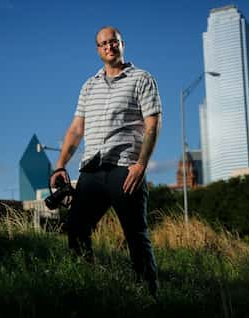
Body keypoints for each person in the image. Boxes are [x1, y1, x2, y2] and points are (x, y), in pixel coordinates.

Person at [51, 26, 162, 297]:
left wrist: (141, 165)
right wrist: (60, 164)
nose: (109, 47)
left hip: (125, 170)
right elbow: (77, 129)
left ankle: (149, 295)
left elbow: (153, 125)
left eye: (113, 42)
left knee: (135, 235)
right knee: (76, 230)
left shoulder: (141, 79)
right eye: (103, 44)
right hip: (91, 171)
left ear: (122, 44)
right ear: (98, 50)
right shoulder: (89, 85)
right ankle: (87, 286)